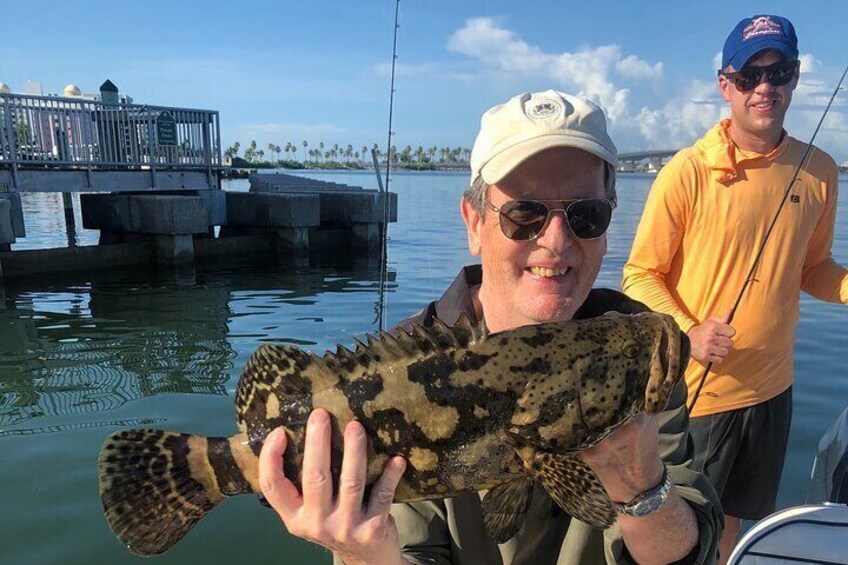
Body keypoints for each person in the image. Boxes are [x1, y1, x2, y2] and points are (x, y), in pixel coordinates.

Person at [259, 90, 722, 564]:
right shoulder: (410, 364)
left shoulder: (631, 354)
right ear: (475, 223)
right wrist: (363, 553)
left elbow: (692, 549)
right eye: (525, 213)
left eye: (586, 215)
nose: (557, 240)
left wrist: (639, 483)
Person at [622, 14, 847, 564]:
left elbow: (813, 268)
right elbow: (639, 275)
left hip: (773, 389)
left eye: (779, 73)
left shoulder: (819, 170)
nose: (764, 88)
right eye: (749, 77)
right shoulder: (687, 172)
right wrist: (688, 333)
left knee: (736, 525)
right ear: (726, 85)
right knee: (680, 531)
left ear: (795, 79)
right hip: (697, 396)